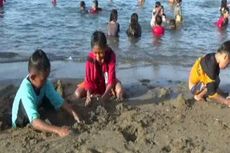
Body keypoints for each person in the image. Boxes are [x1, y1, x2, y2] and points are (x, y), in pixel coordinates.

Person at [11, 49, 82, 137]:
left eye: (47, 77)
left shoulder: (44, 83)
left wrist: (73, 113)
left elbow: (59, 101)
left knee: (54, 102)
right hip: (22, 120)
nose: (46, 81)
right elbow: (34, 122)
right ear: (33, 77)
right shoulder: (26, 90)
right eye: (44, 79)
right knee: (33, 119)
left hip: (37, 104)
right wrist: (58, 130)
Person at [75, 31, 124, 106]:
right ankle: (94, 95)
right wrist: (88, 95)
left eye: (100, 52)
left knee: (119, 90)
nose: (98, 57)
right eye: (95, 53)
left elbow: (111, 79)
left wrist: (104, 96)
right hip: (94, 84)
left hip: (108, 83)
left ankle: (108, 95)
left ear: (105, 47)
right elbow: (88, 81)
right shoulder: (90, 59)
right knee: (77, 94)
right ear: (92, 50)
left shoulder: (111, 55)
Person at [188, 40, 230, 107]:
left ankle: (216, 90)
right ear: (225, 57)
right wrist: (226, 102)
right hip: (194, 87)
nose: (227, 66)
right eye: (228, 63)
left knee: (216, 80)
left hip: (194, 79)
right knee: (211, 85)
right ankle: (198, 96)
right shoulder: (211, 71)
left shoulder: (213, 56)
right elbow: (212, 95)